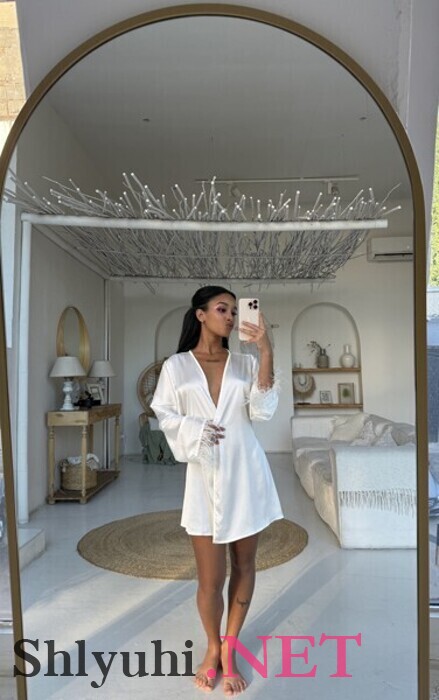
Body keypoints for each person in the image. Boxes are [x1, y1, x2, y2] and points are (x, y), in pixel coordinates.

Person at [150, 285, 283, 696]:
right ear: (201, 314)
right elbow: (163, 412)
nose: (230, 317)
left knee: (245, 565)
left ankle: (230, 646)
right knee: (210, 578)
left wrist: (266, 350)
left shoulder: (244, 362)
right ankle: (212, 646)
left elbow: (262, 410)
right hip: (204, 476)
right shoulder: (176, 366)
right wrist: (197, 429)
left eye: (234, 311)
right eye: (222, 309)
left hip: (245, 472)